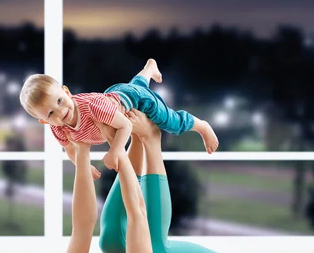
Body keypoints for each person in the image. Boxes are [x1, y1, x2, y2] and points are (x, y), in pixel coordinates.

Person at [0, 110, 236, 253]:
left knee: (110, 240)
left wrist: (82, 152)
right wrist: (119, 150)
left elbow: (82, 226)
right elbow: (137, 214)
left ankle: (136, 137)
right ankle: (152, 139)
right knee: (155, 248)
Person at [19, 59, 219, 179]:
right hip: (115, 97)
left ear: (66, 91)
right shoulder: (59, 129)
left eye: (60, 101)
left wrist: (115, 151)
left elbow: (124, 125)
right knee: (135, 86)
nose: (60, 111)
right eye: (51, 114)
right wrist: (83, 166)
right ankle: (148, 69)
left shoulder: (91, 107)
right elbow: (71, 149)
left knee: (170, 122)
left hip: (134, 100)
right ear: (45, 122)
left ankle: (201, 125)